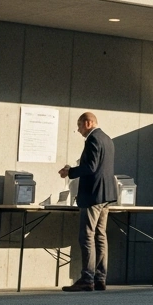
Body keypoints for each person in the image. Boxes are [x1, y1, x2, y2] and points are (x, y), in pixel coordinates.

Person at [59, 111, 117, 291]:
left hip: (93, 195)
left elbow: (90, 167)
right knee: (100, 236)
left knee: (87, 236)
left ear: (88, 123)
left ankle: (87, 279)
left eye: (79, 125)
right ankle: (100, 278)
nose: (78, 130)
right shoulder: (107, 139)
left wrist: (70, 172)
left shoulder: (93, 139)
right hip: (106, 195)